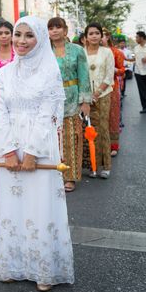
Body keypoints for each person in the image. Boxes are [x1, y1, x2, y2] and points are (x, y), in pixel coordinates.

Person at [0, 16, 74, 291]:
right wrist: (8, 151)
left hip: (40, 148)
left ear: (40, 40)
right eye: (18, 34)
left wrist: (31, 153)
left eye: (29, 36)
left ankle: (44, 270)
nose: (21, 41)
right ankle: (14, 265)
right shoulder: (3, 74)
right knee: (13, 208)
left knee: (40, 207)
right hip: (11, 148)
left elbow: (48, 115)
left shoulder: (50, 72)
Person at [48, 17, 91, 192]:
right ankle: (51, 175)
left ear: (65, 30)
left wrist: (85, 101)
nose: (55, 31)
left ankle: (70, 176)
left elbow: (84, 76)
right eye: (51, 28)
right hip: (50, 99)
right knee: (51, 139)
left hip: (72, 97)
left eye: (58, 27)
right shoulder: (43, 52)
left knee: (72, 137)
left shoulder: (77, 50)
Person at [84, 23, 114, 179]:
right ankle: (93, 165)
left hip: (103, 95)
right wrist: (86, 96)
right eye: (91, 33)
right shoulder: (81, 53)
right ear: (86, 37)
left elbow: (109, 77)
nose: (94, 36)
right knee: (89, 131)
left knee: (102, 129)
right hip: (85, 98)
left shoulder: (107, 52)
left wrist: (97, 93)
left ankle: (106, 165)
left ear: (101, 36)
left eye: (97, 33)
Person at [102, 29, 125, 157]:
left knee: (112, 116)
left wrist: (115, 69)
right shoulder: (92, 52)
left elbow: (122, 70)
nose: (99, 37)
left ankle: (113, 145)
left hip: (111, 87)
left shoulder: (116, 52)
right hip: (96, 88)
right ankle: (100, 144)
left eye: (102, 35)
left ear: (108, 36)